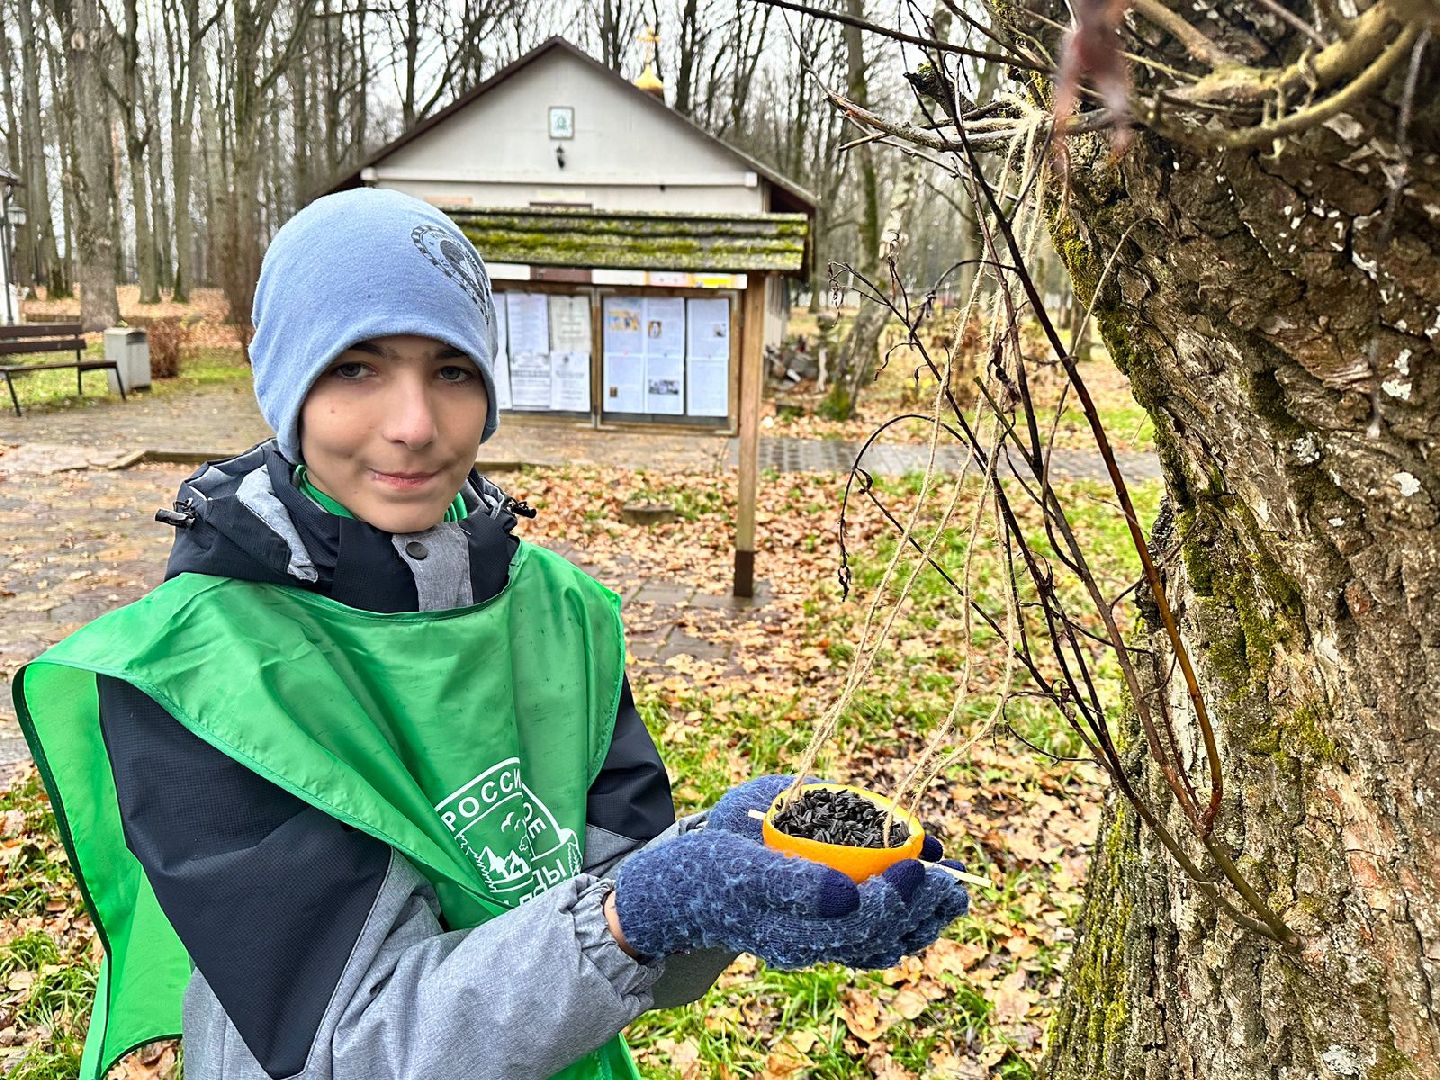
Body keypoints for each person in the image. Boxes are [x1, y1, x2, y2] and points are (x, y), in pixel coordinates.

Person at [13, 189, 970, 1080]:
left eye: (452, 371)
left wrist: (724, 880)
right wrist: (643, 908)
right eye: (355, 368)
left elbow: (633, 962)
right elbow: (353, 1041)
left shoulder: (563, 615)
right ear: (288, 385)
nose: (415, 425)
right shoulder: (191, 677)